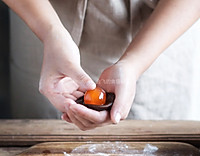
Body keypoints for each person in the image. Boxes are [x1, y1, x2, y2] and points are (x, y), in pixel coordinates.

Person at [3, 0, 200, 130]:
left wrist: (133, 65)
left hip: (163, 27)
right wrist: (50, 32)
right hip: (40, 15)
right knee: (41, 137)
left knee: (156, 147)